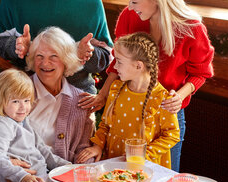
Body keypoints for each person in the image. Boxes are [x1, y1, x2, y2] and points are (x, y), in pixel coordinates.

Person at [80, 0, 214, 172]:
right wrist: (103, 95)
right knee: (120, 176)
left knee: (163, 181)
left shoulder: (191, 29)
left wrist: (179, 96)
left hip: (164, 114)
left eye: (134, 1)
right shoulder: (129, 17)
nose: (130, 7)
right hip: (126, 107)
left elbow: (200, 73)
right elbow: (118, 63)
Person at [0, 27, 95, 182]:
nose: (45, 63)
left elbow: (83, 149)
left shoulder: (80, 102)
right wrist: (6, 163)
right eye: (39, 56)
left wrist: (81, 175)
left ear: (66, 60)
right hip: (8, 181)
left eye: (54, 56)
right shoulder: (16, 90)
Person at [76, 32, 180, 168]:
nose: (115, 67)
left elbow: (171, 135)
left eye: (119, 61)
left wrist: (144, 154)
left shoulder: (162, 98)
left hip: (144, 169)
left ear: (138, 66)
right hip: (112, 164)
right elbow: (105, 125)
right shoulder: (116, 89)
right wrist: (98, 146)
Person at [0, 69, 71, 182]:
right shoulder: (0, 125)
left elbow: (42, 149)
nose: (23, 107)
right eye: (15, 101)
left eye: (26, 100)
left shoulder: (23, 121)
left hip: (42, 179)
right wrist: (22, 177)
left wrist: (65, 166)